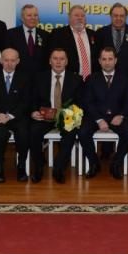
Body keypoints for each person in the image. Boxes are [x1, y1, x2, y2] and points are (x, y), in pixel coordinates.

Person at [78, 47, 128, 180]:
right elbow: (88, 102)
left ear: (115, 60)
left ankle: (116, 163)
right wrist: (99, 119)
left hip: (117, 116)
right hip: (95, 117)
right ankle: (94, 163)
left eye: (110, 59)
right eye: (104, 59)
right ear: (99, 61)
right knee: (82, 132)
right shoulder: (91, 78)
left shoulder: (125, 79)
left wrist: (121, 115)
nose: (107, 62)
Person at [28, 48, 83, 184]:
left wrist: (72, 115)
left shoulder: (76, 79)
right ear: (50, 61)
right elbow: (32, 99)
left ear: (67, 61)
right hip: (45, 117)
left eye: (62, 59)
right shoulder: (39, 78)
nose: (58, 62)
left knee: (70, 132)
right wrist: (33, 111)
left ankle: (59, 168)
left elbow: (80, 103)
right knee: (33, 131)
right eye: (55, 58)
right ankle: (39, 166)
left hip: (66, 117)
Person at [0, 48, 32, 183]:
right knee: (0, 133)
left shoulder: (25, 78)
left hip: (17, 116)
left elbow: (26, 102)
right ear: (1, 60)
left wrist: (10, 116)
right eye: (6, 60)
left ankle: (21, 166)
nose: (9, 64)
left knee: (23, 132)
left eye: (12, 60)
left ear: (18, 61)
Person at [49, 4, 99, 80]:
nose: (80, 18)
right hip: (68, 80)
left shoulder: (93, 34)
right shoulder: (58, 34)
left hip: (91, 80)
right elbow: (52, 58)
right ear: (69, 18)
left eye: (82, 16)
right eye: (76, 15)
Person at [97, 3, 128, 81]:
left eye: (121, 16)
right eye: (115, 15)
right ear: (111, 16)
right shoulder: (101, 33)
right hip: (106, 80)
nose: (118, 18)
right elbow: (97, 58)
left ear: (126, 17)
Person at [5, 4, 50, 76]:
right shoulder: (10, 34)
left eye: (35, 15)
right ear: (22, 18)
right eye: (29, 15)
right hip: (18, 77)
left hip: (40, 78)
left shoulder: (46, 35)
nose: (33, 18)